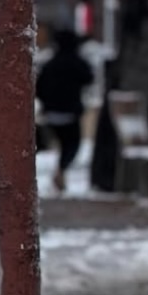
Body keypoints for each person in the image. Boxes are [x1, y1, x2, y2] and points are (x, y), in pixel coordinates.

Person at [36, 29, 93, 194]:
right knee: (72, 144)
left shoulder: (49, 65)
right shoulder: (78, 63)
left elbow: (39, 88)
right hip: (71, 113)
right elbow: (89, 77)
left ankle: (60, 171)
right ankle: (61, 169)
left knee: (57, 142)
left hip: (51, 113)